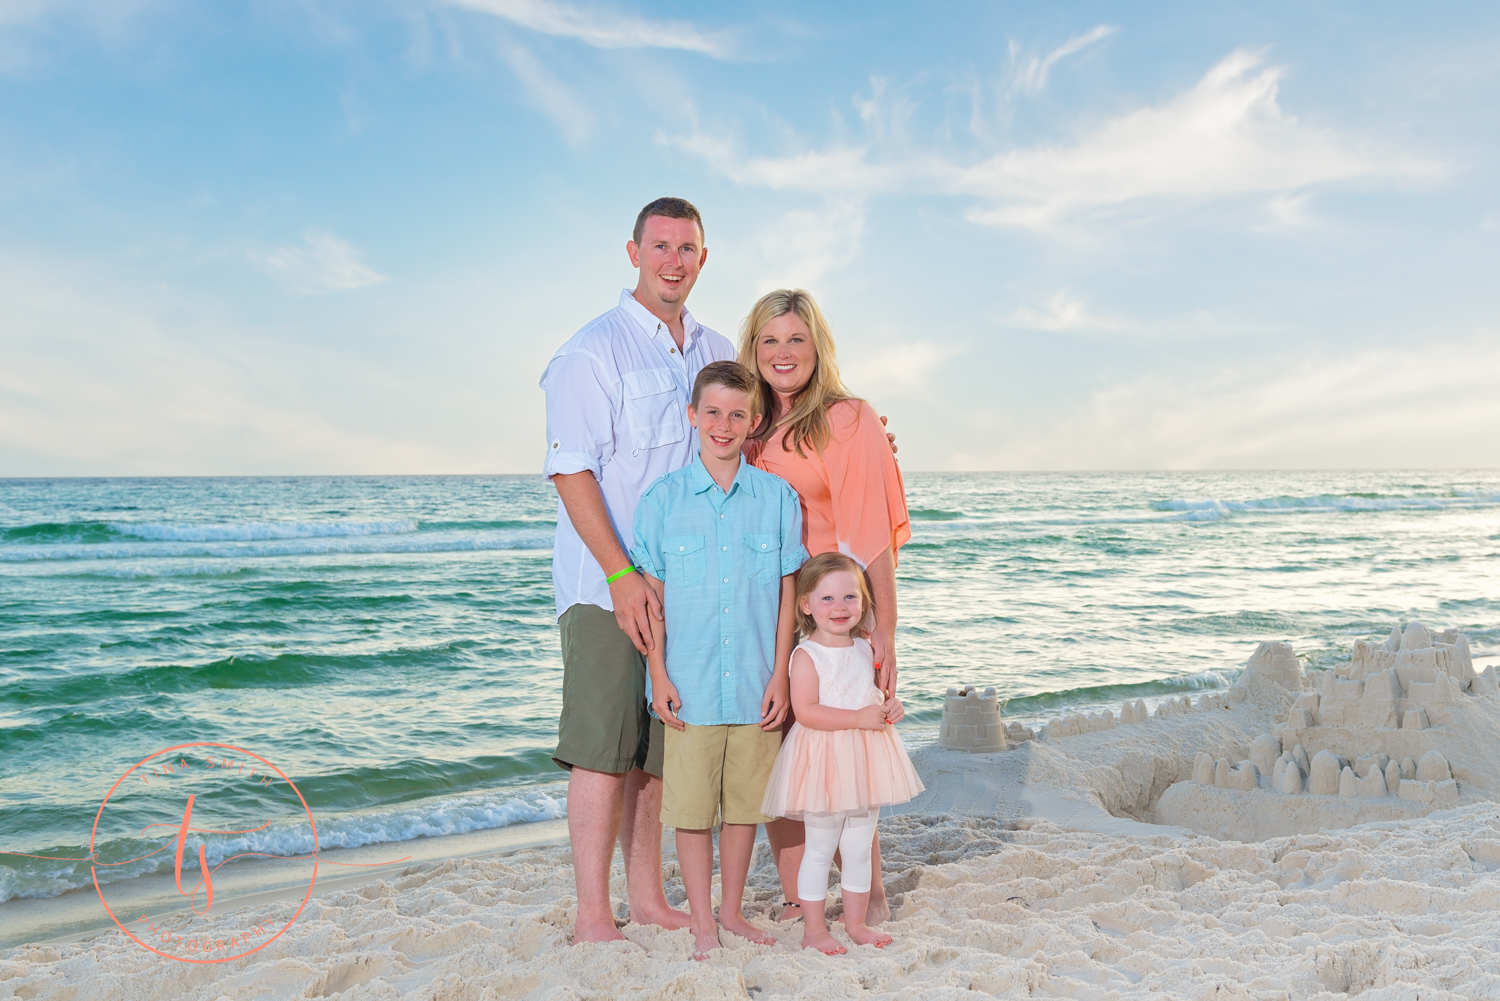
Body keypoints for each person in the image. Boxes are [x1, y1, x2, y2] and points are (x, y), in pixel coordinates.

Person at [540, 197, 735, 944]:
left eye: (687, 248)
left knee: (659, 752)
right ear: (633, 252)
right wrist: (622, 576)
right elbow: (572, 471)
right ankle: (594, 912)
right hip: (606, 586)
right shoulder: (593, 351)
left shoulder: (716, 350)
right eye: (660, 245)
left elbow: (752, 432)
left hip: (687, 586)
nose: (673, 260)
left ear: (703, 259)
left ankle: (649, 899)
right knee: (602, 748)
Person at [738, 288, 912, 925]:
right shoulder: (747, 426)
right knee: (781, 753)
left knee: (844, 761)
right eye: (769, 340)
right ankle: (795, 895)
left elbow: (871, 533)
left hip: (831, 614)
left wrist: (883, 628)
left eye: (796, 340)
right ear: (752, 349)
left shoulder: (847, 418)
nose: (783, 354)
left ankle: (872, 894)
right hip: (760, 611)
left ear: (818, 348)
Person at [630, 361, 808, 960]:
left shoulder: (778, 499)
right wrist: (657, 672)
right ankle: (703, 922)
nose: (724, 425)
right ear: (693, 417)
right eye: (712, 412)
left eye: (737, 414)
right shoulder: (661, 502)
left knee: (744, 807)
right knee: (692, 808)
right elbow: (651, 600)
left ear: (752, 421)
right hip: (691, 679)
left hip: (758, 677)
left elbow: (787, 592)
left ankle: (731, 912)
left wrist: (781, 671)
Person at [761, 552, 923, 953]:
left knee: (857, 847)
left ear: (865, 602)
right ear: (806, 605)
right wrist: (858, 717)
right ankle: (814, 928)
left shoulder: (866, 649)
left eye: (850, 597)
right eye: (828, 599)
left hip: (865, 759)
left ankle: (855, 922)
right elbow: (808, 712)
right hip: (823, 762)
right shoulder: (806, 656)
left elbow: (874, 699)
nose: (840, 607)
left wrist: (891, 708)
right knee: (819, 847)